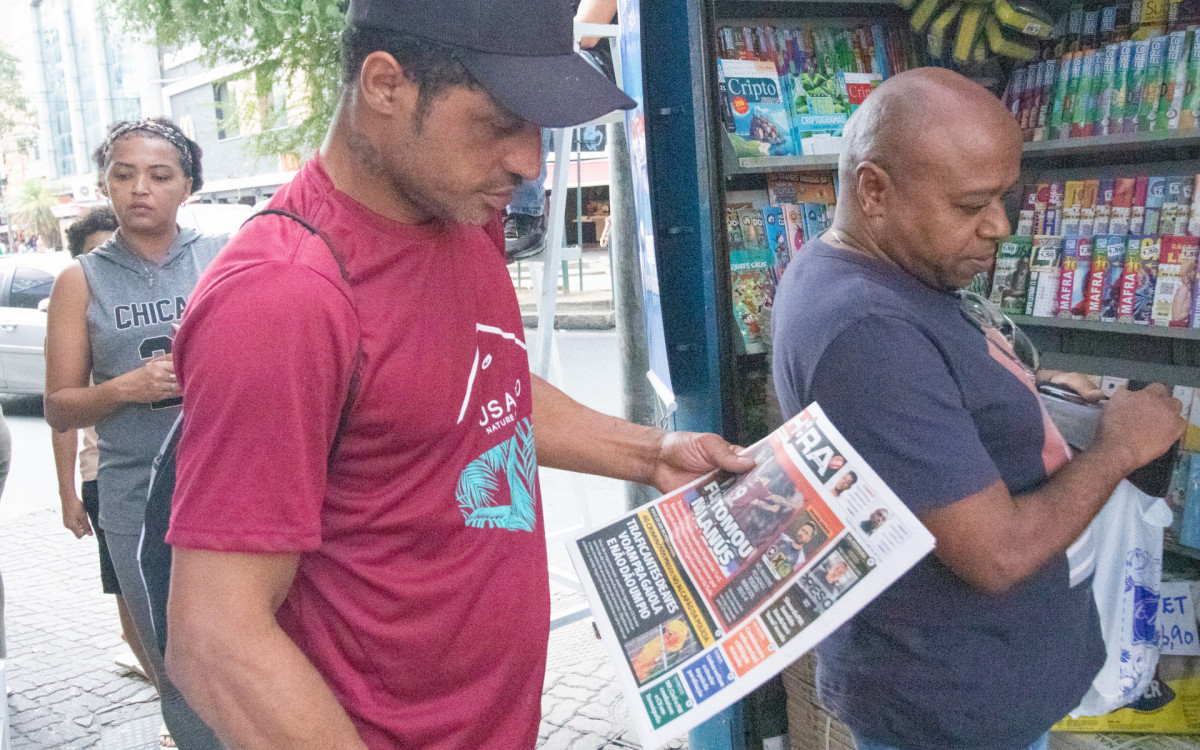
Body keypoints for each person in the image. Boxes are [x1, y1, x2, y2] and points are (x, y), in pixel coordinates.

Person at [161, 2, 752, 749]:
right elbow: (216, 642)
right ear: (385, 85)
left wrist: (649, 454)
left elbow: (478, 385)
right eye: (502, 121)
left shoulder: (462, 215)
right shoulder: (283, 297)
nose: (530, 162)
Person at [771, 67, 1185, 750]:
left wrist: (1036, 394)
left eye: (1004, 198)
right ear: (874, 190)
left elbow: (938, 406)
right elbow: (996, 553)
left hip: (986, 683)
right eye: (971, 206)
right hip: (953, 709)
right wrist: (1119, 447)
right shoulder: (865, 329)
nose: (999, 227)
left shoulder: (888, 272)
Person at [43, 118, 224, 750]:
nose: (139, 188)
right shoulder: (80, 281)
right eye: (123, 174)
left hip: (231, 486)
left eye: (159, 175)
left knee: (265, 645)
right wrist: (126, 388)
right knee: (176, 663)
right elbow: (60, 407)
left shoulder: (224, 256)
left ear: (189, 187)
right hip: (137, 501)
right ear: (105, 184)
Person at [54, 207, 156, 683]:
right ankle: (166, 696)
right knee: (129, 599)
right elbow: (60, 416)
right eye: (96, 252)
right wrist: (67, 494)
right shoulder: (78, 305)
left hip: (171, 465)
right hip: (104, 473)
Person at [503, 0, 618, 259]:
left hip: (601, 64)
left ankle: (526, 213)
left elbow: (586, 35)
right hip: (557, 59)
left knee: (531, 74)